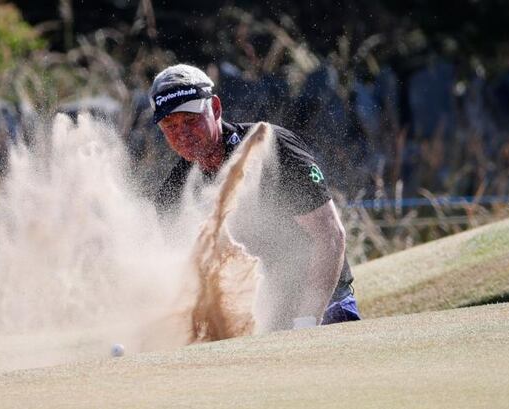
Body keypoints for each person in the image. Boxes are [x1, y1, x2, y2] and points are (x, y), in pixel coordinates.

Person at [150, 63, 360, 330]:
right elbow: (187, 278)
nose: (182, 133)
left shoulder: (273, 148)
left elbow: (330, 236)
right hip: (259, 319)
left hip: (323, 307)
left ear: (215, 108)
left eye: (191, 120)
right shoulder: (173, 193)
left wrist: (307, 321)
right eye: (170, 125)